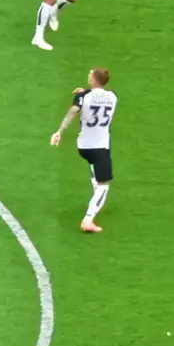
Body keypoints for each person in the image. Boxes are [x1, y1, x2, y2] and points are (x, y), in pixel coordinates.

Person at [50, 68, 118, 232]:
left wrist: (59, 132)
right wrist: (85, 92)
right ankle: (88, 220)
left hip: (84, 146)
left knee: (96, 173)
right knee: (104, 186)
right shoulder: (113, 97)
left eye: (90, 75)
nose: (88, 76)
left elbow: (73, 112)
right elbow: (99, 96)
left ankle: (95, 201)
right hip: (100, 146)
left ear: (94, 80)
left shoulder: (83, 97)